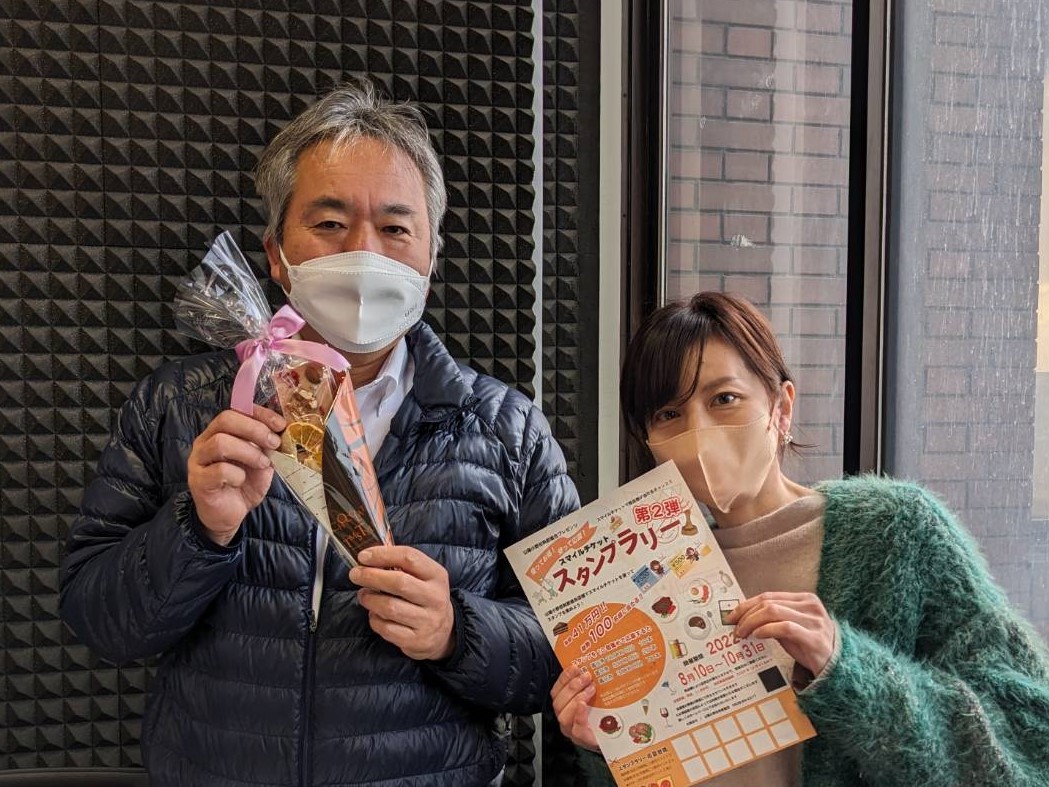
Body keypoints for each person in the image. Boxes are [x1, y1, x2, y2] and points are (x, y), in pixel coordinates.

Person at [61, 81, 579, 787]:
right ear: (277, 253)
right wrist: (198, 530)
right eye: (330, 223)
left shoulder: (505, 430)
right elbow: (98, 621)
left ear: (430, 258)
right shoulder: (180, 406)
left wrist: (456, 631)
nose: (364, 253)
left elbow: (576, 647)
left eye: (395, 228)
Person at [551, 291, 1049, 786]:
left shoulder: (896, 531)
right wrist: (608, 744)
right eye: (668, 414)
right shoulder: (647, 575)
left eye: (724, 399)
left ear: (781, 407)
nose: (698, 431)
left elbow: (1030, 738)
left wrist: (844, 665)